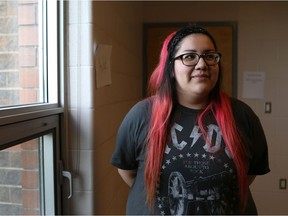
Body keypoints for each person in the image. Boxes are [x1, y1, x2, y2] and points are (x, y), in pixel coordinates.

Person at [111, 25, 270, 215]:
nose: (202, 64)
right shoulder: (141, 115)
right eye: (189, 56)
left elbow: (248, 174)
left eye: (209, 56)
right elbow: (127, 171)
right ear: (170, 68)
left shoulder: (243, 116)